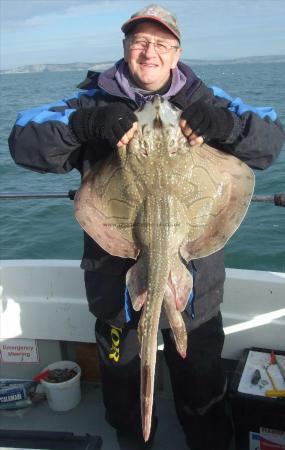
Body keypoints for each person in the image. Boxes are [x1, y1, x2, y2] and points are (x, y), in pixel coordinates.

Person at [8, 4, 285, 450]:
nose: (149, 51)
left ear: (177, 54)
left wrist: (227, 125)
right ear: (125, 48)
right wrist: (85, 125)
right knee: (123, 389)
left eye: (161, 44)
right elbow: (23, 138)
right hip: (112, 284)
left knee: (201, 386)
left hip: (194, 285)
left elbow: (271, 135)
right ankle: (135, 440)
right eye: (140, 42)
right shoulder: (90, 101)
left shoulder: (208, 100)